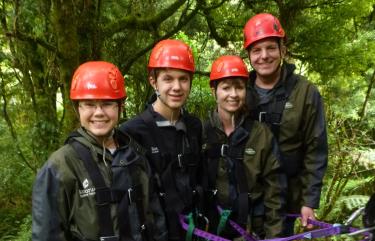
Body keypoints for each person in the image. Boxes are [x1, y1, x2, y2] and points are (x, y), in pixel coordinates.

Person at [32, 61, 167, 241]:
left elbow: (155, 218)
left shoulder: (135, 155)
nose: (98, 112)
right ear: (77, 108)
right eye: (89, 104)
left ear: (120, 106)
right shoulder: (61, 166)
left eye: (107, 103)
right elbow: (46, 234)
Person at [243, 13, 328, 235]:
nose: (264, 56)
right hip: (246, 202)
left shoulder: (305, 92)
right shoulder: (238, 92)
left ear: (283, 49)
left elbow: (316, 149)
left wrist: (309, 201)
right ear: (249, 55)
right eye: (256, 50)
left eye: (270, 47)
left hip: (287, 202)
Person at [120, 39, 203, 241]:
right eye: (168, 79)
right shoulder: (132, 132)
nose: (177, 87)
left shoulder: (193, 126)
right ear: (153, 81)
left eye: (183, 79)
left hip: (193, 230)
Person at [202, 55, 285, 239]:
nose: (233, 94)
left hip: (251, 230)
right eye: (226, 88)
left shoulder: (260, 135)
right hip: (211, 230)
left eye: (239, 87)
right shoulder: (201, 133)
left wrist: (274, 235)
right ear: (213, 90)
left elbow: (275, 191)